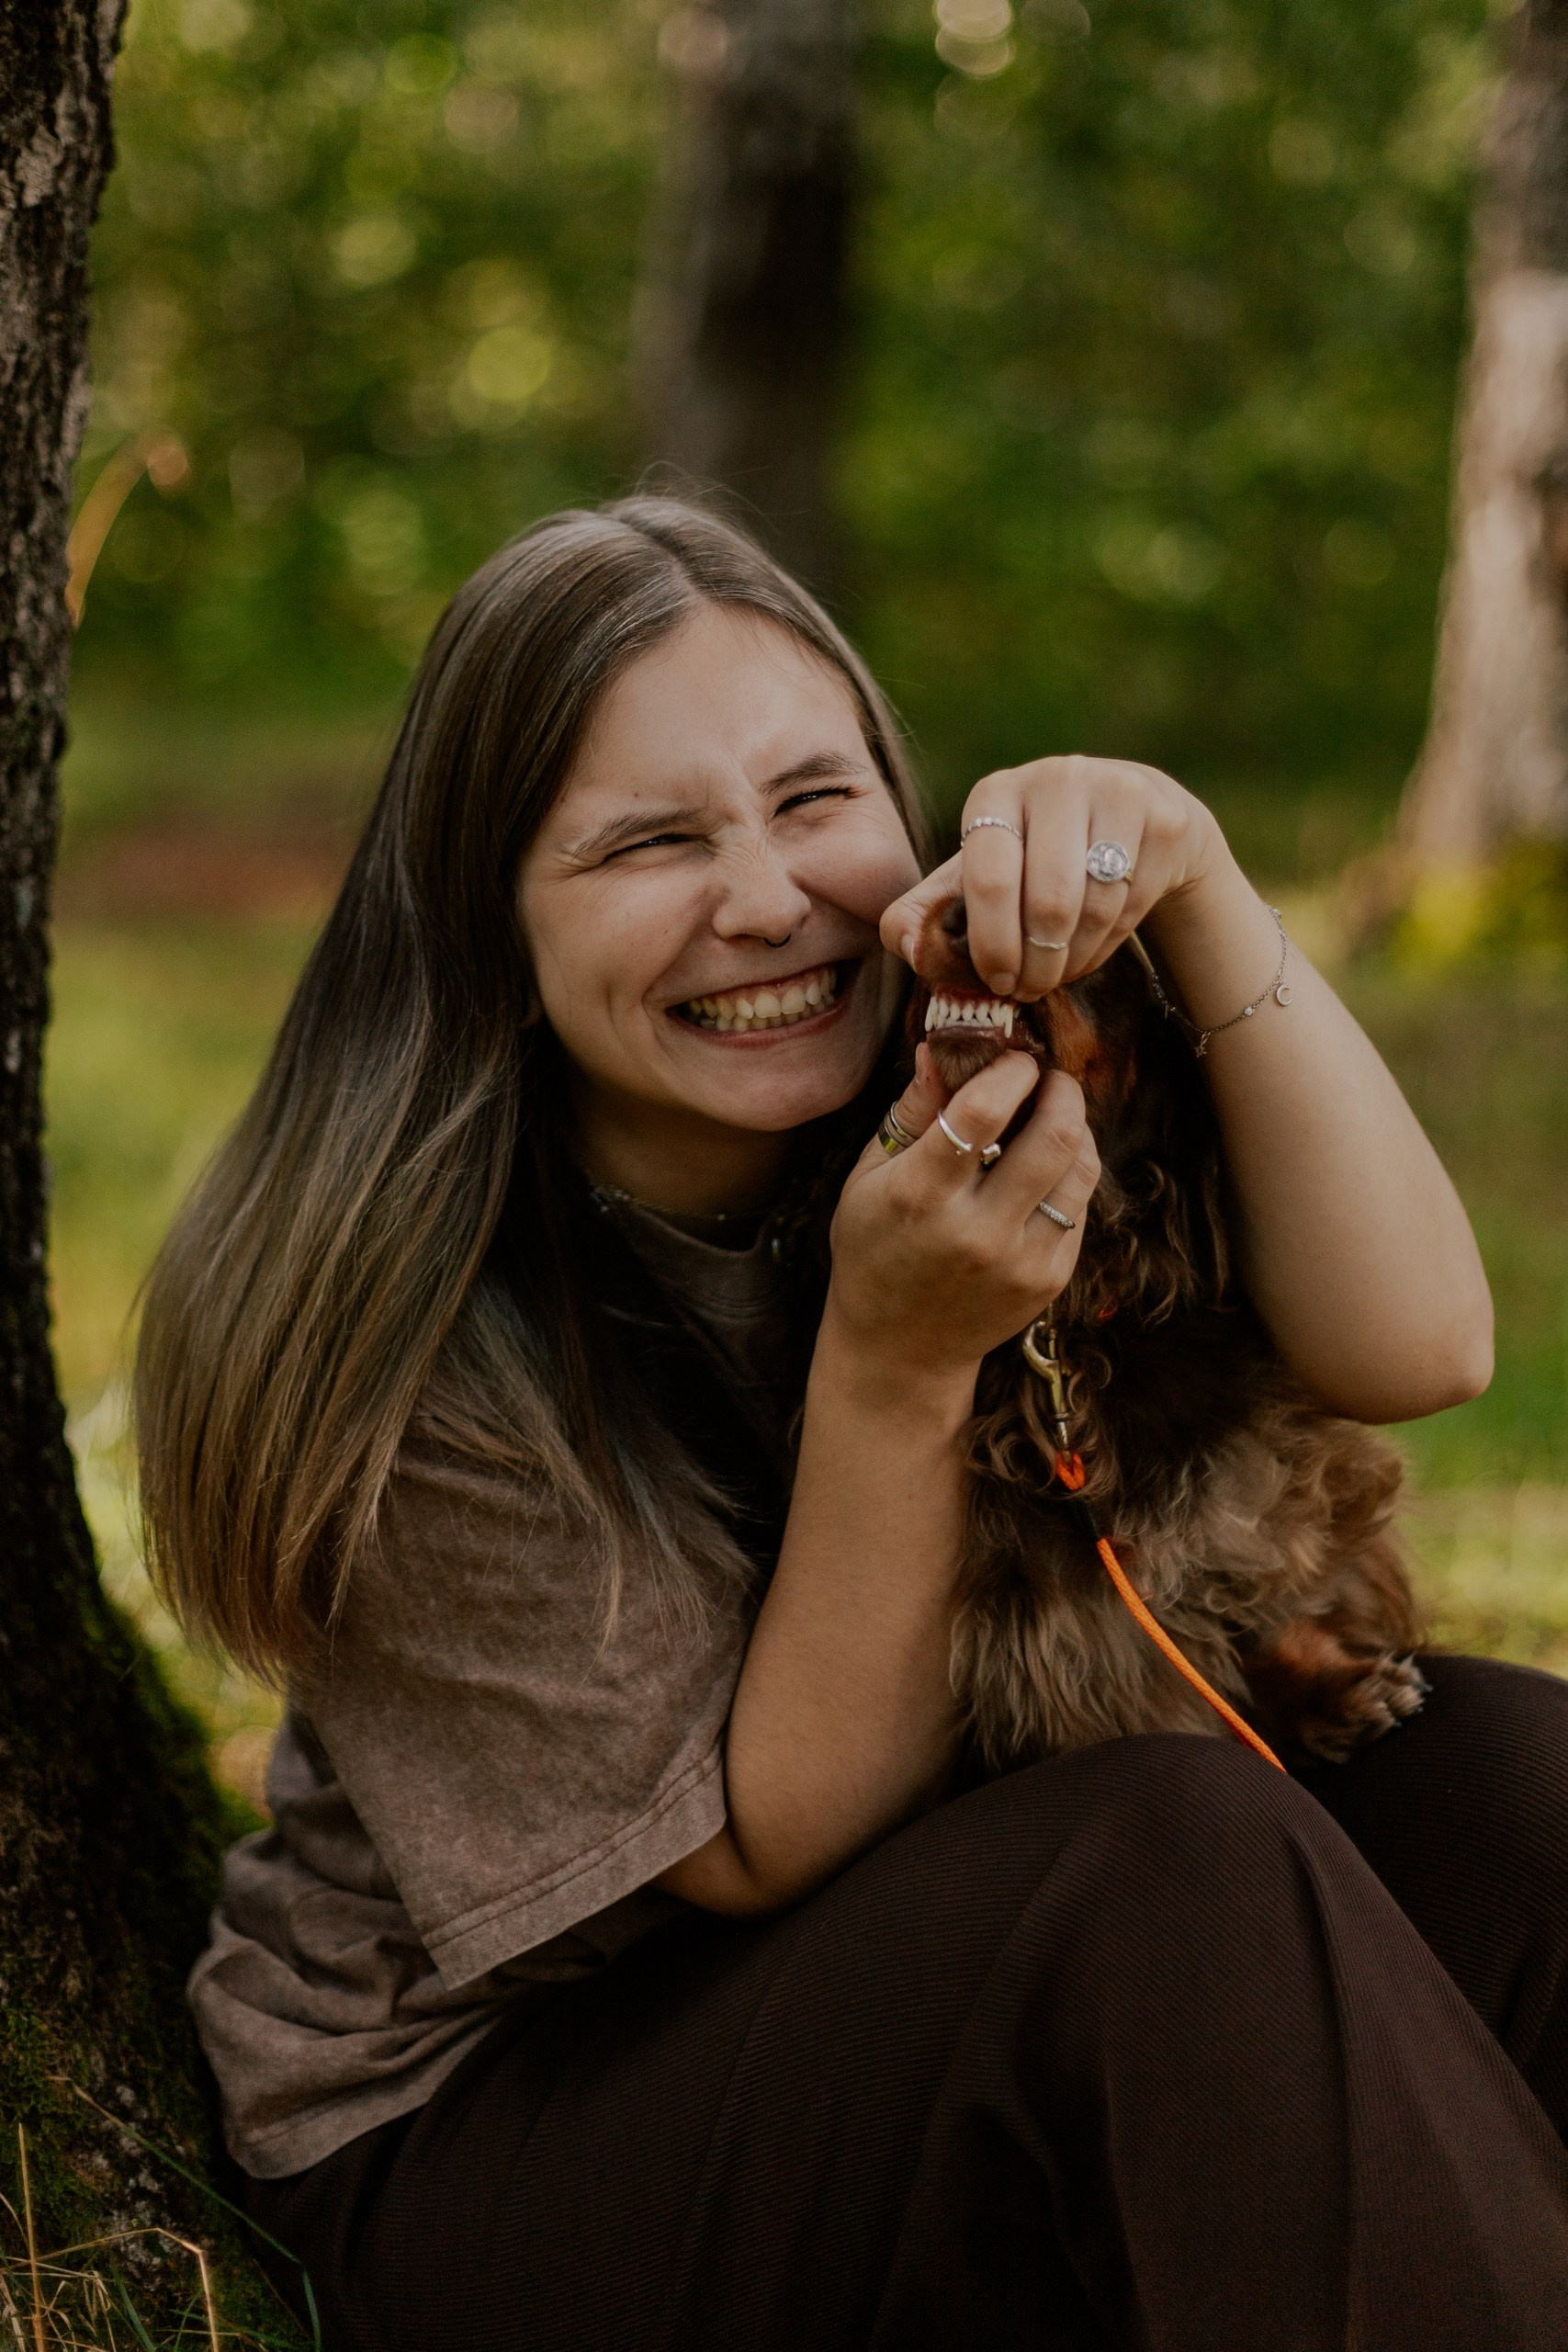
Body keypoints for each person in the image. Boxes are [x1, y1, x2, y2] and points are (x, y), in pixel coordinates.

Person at [135, 497, 1568, 2350]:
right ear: (487, 915)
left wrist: (1202, 883)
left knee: (1513, 1782)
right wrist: (896, 1359)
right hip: (510, 2132)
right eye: (649, 840)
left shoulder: (980, 1058)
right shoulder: (387, 1309)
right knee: (1171, 1862)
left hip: (962, 1957)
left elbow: (1422, 1341)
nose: (764, 898)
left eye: (814, 799)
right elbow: (762, 1849)